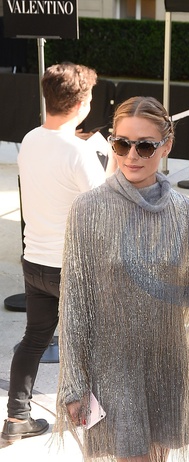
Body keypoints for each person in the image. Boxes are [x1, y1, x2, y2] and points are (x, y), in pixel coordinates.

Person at [54, 96, 189, 462]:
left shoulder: (181, 210)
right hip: (113, 370)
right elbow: (75, 300)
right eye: (121, 143)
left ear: (166, 145)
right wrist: (75, 382)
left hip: (165, 365)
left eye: (144, 146)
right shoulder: (89, 208)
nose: (131, 156)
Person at [0, 63, 106, 442]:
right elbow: (104, 204)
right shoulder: (80, 152)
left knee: (34, 339)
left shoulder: (30, 140)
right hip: (71, 268)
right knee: (88, 345)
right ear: (81, 103)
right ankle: (92, 425)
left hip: (34, 262)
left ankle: (17, 418)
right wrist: (103, 156)